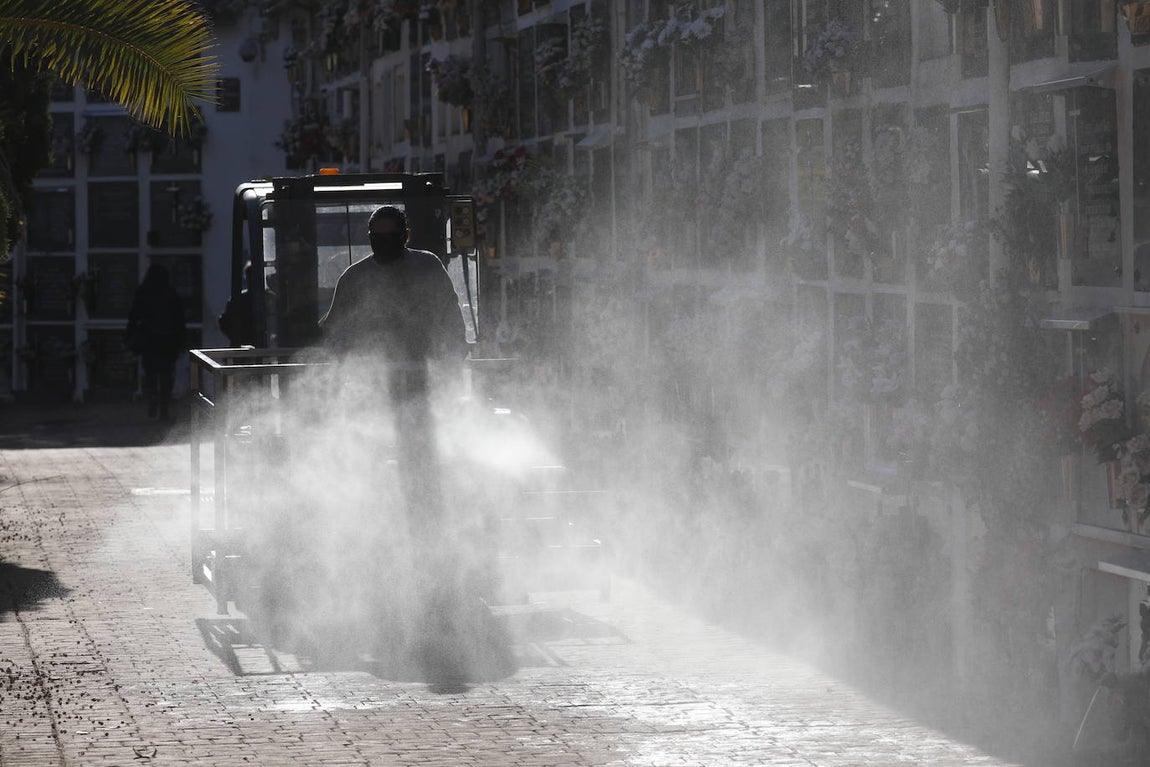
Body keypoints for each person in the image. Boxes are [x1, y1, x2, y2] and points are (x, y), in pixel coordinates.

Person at [319, 205, 466, 368]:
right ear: (369, 237)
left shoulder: (427, 267)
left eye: (390, 236)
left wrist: (453, 357)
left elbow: (451, 317)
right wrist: (346, 359)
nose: (383, 243)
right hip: (370, 375)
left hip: (425, 369)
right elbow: (333, 331)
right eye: (377, 237)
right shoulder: (353, 278)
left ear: (406, 235)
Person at [125, 263, 187, 420]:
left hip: (149, 340)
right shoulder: (171, 294)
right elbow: (180, 320)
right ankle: (164, 407)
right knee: (166, 374)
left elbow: (133, 316)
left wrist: (128, 336)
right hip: (168, 341)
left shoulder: (144, 293)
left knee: (151, 373)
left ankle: (152, 400)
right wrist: (181, 341)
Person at [218, 262, 258, 346]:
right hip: (260, 347)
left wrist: (237, 339)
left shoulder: (238, 298)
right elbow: (224, 322)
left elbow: (223, 322)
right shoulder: (268, 298)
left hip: (241, 347)